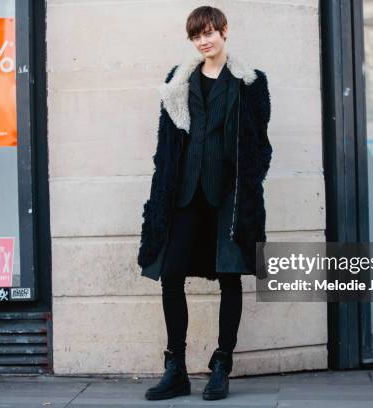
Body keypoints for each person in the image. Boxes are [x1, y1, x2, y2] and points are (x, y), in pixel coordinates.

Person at [137, 5, 272, 401]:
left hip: (227, 196)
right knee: (171, 274)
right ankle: (175, 367)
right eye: (197, 36)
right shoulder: (177, 80)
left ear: (224, 31)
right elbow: (166, 143)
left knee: (229, 277)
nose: (204, 40)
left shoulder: (250, 82)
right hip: (184, 193)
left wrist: (248, 183)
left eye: (210, 32)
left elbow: (259, 142)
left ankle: (221, 364)